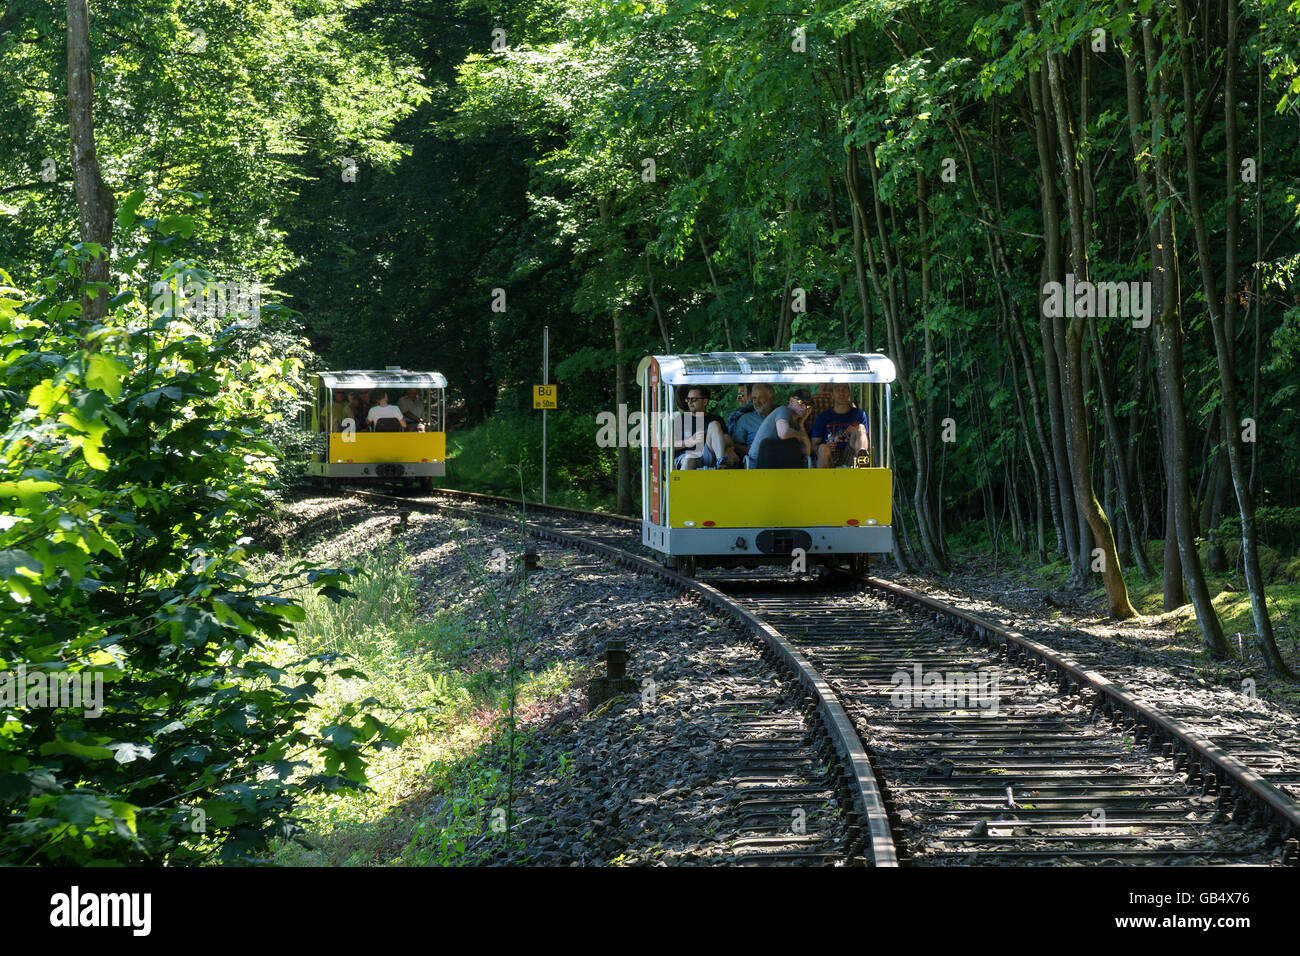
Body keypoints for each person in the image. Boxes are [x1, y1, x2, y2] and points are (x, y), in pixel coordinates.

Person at [673, 386, 738, 469]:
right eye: (688, 399)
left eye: (693, 399)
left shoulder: (716, 419)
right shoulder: (680, 419)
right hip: (686, 456)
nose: (689, 402)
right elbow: (665, 447)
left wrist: (729, 448)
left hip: (708, 455)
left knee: (714, 424)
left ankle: (721, 463)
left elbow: (727, 440)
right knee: (689, 459)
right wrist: (690, 441)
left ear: (705, 402)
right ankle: (682, 482)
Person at [746, 387, 814, 468]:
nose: (804, 407)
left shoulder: (796, 424)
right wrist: (802, 435)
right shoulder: (783, 410)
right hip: (756, 463)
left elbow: (806, 452)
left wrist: (801, 424)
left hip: (775, 463)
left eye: (808, 405)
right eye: (801, 402)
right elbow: (783, 433)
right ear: (791, 400)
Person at [811, 383, 870, 467]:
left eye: (845, 389)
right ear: (832, 395)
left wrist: (854, 432)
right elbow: (814, 446)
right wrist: (825, 447)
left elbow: (866, 439)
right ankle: (822, 479)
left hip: (851, 453)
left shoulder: (859, 414)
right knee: (822, 448)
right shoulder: (822, 416)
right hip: (830, 455)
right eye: (838, 390)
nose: (841, 392)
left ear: (849, 393)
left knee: (860, 427)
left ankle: (862, 460)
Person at [730, 383, 774, 460]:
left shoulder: (782, 414)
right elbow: (735, 447)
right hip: (757, 464)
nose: (756, 402)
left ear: (771, 398)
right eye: (754, 398)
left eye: (760, 397)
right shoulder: (745, 419)